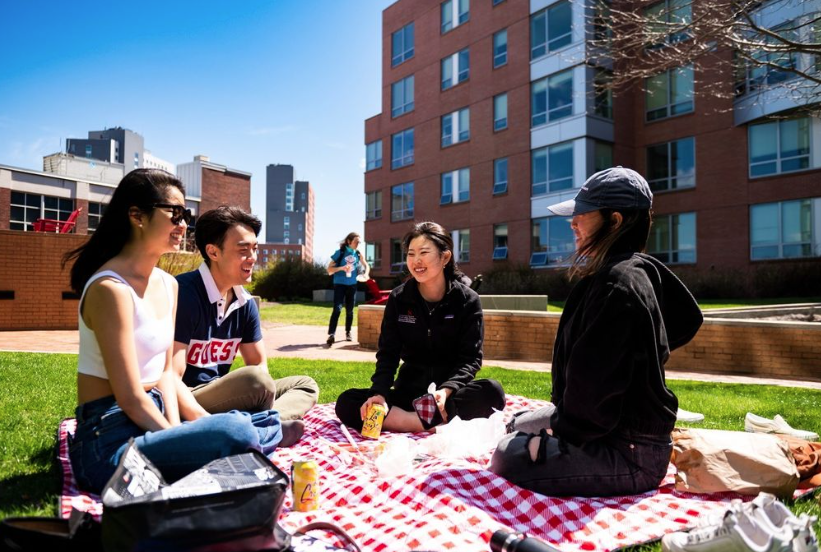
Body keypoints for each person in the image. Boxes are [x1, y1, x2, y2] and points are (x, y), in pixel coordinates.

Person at [64, 169, 285, 494]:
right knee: (238, 430)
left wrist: (190, 428)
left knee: (258, 423)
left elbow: (167, 375)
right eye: (175, 214)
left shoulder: (167, 285)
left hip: (153, 418)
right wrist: (175, 436)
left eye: (187, 215)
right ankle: (235, 446)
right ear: (137, 216)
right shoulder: (110, 289)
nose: (184, 225)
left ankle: (233, 444)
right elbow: (130, 397)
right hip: (108, 439)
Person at [489, 166, 703, 497]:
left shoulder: (619, 285)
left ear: (615, 221)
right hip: (601, 424)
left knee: (508, 453)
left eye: (582, 214)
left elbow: (594, 397)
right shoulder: (615, 274)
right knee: (516, 423)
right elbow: (682, 324)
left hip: (627, 451)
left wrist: (555, 439)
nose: (573, 222)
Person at [335, 221, 506, 433]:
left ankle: (417, 420)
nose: (416, 260)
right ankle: (420, 423)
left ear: (445, 257)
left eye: (424, 252)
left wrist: (446, 391)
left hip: (445, 397)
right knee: (347, 401)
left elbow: (470, 360)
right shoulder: (399, 298)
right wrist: (378, 393)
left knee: (492, 392)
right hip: (409, 393)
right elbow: (388, 354)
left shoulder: (467, 300)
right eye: (410, 254)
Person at [173, 206, 319, 423]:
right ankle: (262, 424)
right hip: (186, 396)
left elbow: (259, 363)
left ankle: (260, 425)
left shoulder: (245, 303)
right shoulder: (183, 293)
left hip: (223, 393)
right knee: (255, 380)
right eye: (243, 250)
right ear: (213, 252)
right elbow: (171, 376)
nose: (252, 258)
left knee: (305, 385)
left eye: (255, 249)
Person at [326, 232, 369, 346]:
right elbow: (329, 269)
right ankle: (332, 334)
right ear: (349, 241)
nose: (358, 243)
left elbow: (366, 265)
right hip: (339, 284)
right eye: (356, 241)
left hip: (352, 285)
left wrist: (366, 274)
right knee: (337, 309)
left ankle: (348, 332)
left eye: (359, 242)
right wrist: (342, 268)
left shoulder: (358, 254)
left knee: (350, 310)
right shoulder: (340, 253)